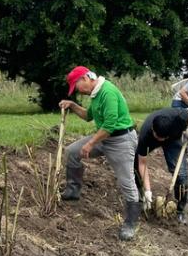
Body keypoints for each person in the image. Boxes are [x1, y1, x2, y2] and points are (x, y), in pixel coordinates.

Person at [58, 66, 142, 241]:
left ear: (86, 78)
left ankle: (131, 223)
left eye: (77, 86)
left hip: (121, 140)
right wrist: (72, 105)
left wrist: (90, 143)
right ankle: (73, 191)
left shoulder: (107, 91)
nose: (78, 92)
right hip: (104, 137)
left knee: (126, 181)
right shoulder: (95, 94)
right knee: (72, 151)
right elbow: (89, 116)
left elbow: (110, 125)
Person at [134, 106, 188, 225]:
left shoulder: (178, 117)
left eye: (162, 137)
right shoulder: (145, 135)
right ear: (153, 129)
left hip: (173, 140)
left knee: (181, 176)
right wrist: (148, 190)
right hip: (151, 141)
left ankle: (180, 210)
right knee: (136, 165)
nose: (160, 139)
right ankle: (143, 197)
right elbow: (142, 163)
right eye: (158, 136)